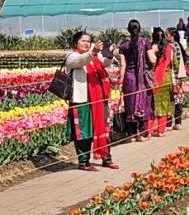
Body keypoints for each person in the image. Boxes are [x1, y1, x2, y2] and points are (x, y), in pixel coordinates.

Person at [64, 31, 118, 171]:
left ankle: (107, 158)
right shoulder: (72, 57)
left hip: (99, 99)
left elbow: (105, 63)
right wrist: (92, 52)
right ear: (76, 43)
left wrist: (109, 53)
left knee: (103, 128)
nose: (86, 43)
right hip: (81, 100)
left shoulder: (94, 57)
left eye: (88, 41)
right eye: (83, 41)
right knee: (83, 131)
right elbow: (81, 61)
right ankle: (83, 162)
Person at [119, 20, 154, 142]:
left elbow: (123, 65)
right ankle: (144, 134)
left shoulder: (123, 46)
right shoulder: (145, 42)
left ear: (128, 30)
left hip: (129, 78)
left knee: (130, 104)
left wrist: (120, 82)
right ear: (139, 29)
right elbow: (152, 59)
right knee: (144, 102)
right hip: (141, 79)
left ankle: (132, 134)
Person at [148, 27, 176, 137]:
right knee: (164, 104)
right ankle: (161, 130)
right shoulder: (169, 48)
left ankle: (149, 131)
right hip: (166, 78)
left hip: (152, 79)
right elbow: (174, 64)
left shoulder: (150, 48)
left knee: (151, 105)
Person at [172, 34, 187, 130]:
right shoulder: (178, 45)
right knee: (178, 99)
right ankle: (178, 122)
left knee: (175, 99)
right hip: (179, 76)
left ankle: (175, 122)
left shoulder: (174, 46)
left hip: (175, 76)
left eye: (167, 34)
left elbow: (176, 64)